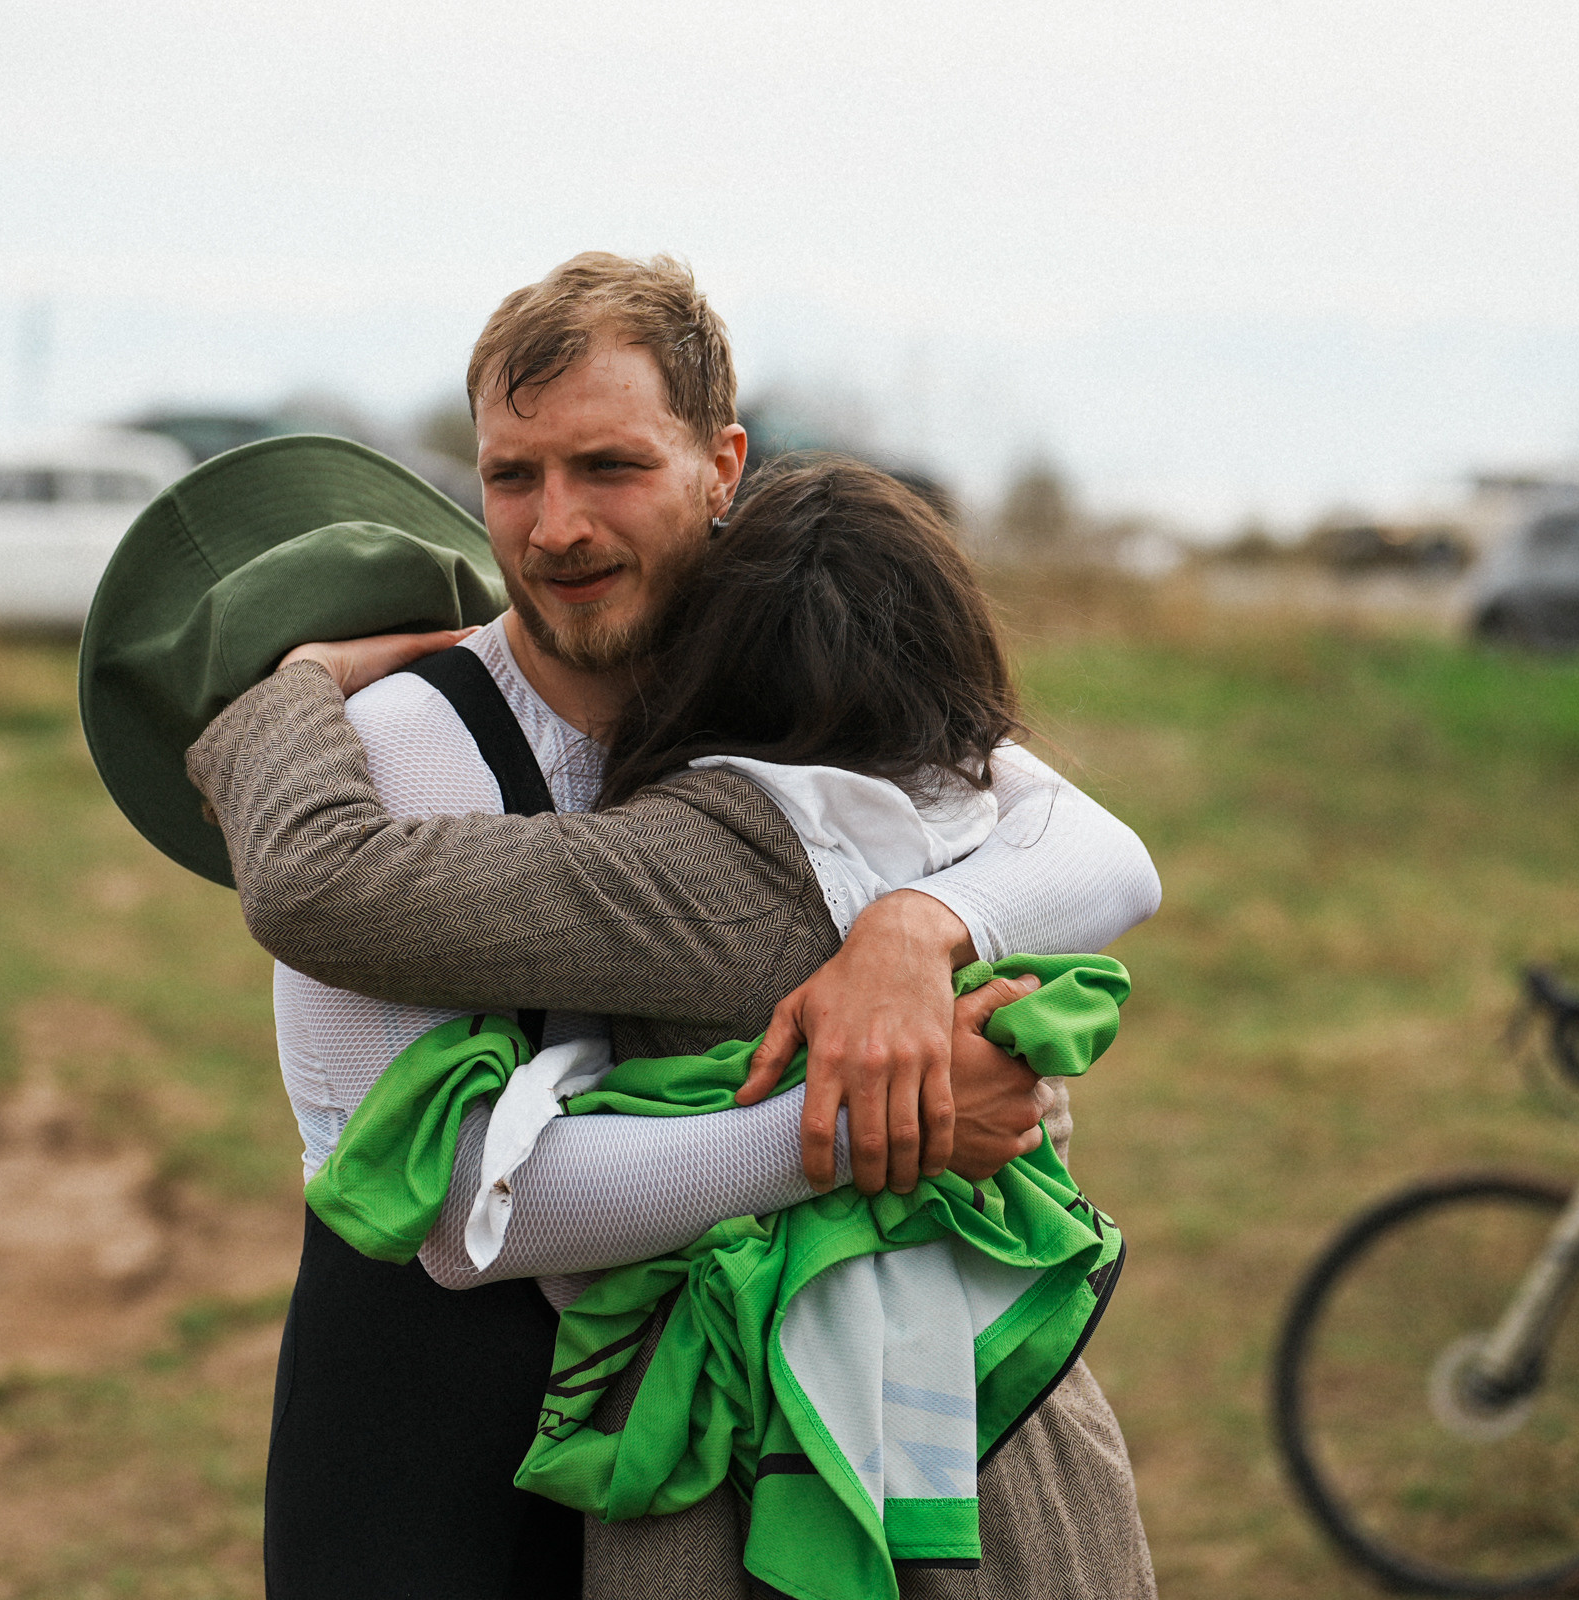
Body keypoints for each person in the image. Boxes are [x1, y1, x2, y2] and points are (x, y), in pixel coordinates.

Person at [178, 254, 1160, 1596]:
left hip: (703, 1449)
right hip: (436, 1445)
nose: (556, 527)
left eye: (610, 467)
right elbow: (455, 1209)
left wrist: (918, 930)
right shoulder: (406, 744)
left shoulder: (788, 682)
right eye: (512, 476)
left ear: (722, 463)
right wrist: (870, 1129)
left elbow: (1085, 838)